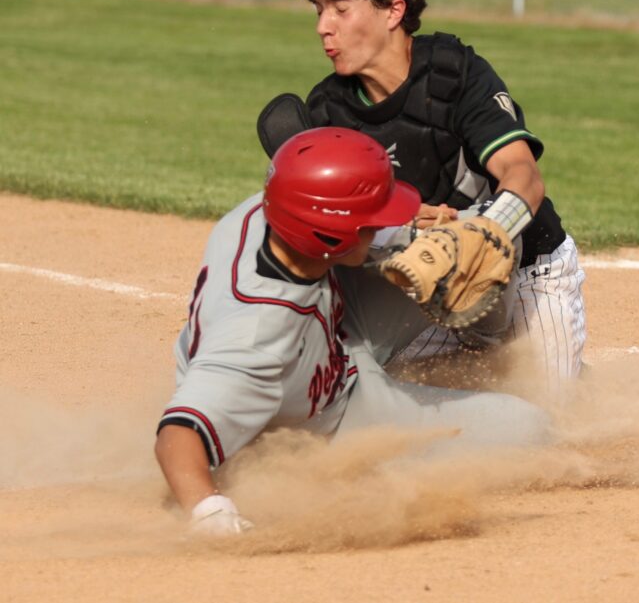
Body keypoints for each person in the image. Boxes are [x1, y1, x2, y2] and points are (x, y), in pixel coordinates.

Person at [156, 126, 549, 536]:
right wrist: (210, 513)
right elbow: (178, 436)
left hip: (341, 313)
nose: (380, 224)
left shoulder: (267, 210)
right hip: (340, 413)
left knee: (482, 237)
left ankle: (481, 343)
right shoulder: (255, 339)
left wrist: (410, 229)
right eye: (370, 223)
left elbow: (333, 212)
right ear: (329, 234)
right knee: (529, 428)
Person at [273, 0, 586, 390]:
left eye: (339, 8)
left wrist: (487, 231)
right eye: (318, 9)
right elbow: (340, 240)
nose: (322, 27)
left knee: (545, 417)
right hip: (424, 286)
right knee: (366, 395)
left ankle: (562, 371)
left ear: (392, 10)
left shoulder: (452, 74)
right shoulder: (329, 111)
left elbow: (523, 173)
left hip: (527, 272)